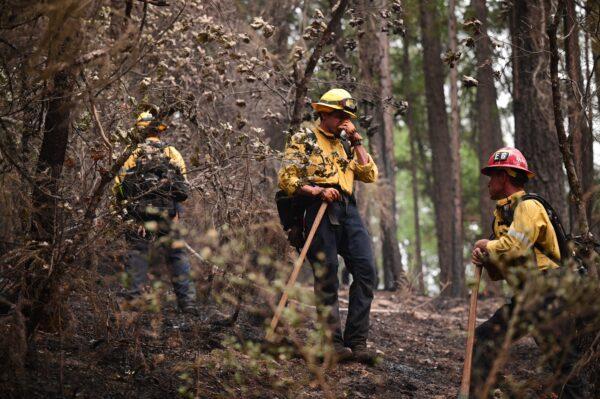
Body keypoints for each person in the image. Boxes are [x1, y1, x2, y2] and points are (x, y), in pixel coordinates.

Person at [470, 147, 585, 398]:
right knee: (484, 338)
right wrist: (487, 259)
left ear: (504, 176)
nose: (489, 183)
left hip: (549, 292)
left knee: (564, 365)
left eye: (492, 176)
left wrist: (485, 245)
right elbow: (499, 274)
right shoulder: (503, 218)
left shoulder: (528, 207)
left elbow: (515, 246)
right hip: (528, 297)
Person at [278, 88, 379, 363]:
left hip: (347, 209)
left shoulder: (347, 144)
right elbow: (287, 178)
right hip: (317, 207)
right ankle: (332, 344)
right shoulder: (305, 137)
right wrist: (316, 191)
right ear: (324, 113)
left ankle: (357, 342)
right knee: (327, 273)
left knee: (366, 269)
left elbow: (369, 174)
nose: (345, 121)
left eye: (348, 116)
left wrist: (357, 141)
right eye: (340, 115)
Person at [114, 110, 196, 314]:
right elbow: (182, 187)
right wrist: (176, 213)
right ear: (159, 132)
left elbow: (119, 187)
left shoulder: (131, 154)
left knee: (137, 253)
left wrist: (129, 217)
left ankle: (133, 300)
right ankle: (188, 304)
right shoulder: (172, 152)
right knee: (177, 255)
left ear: (139, 131)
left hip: (139, 216)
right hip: (168, 215)